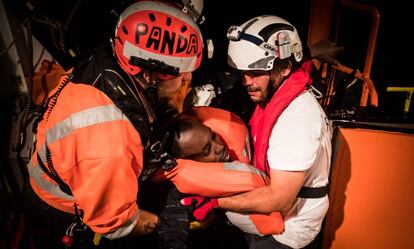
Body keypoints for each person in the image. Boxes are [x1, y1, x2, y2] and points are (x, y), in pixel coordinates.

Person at [23, 1, 204, 248]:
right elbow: (118, 224)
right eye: (181, 72)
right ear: (151, 74)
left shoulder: (109, 58)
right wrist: (166, 224)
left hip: (64, 172)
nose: (188, 77)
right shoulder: (112, 140)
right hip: (60, 212)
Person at [182, 15, 333, 249]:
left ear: (283, 68)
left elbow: (279, 199)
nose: (246, 81)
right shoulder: (274, 97)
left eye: (254, 73)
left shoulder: (295, 119)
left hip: (286, 234)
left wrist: (216, 202)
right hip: (272, 222)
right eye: (243, 72)